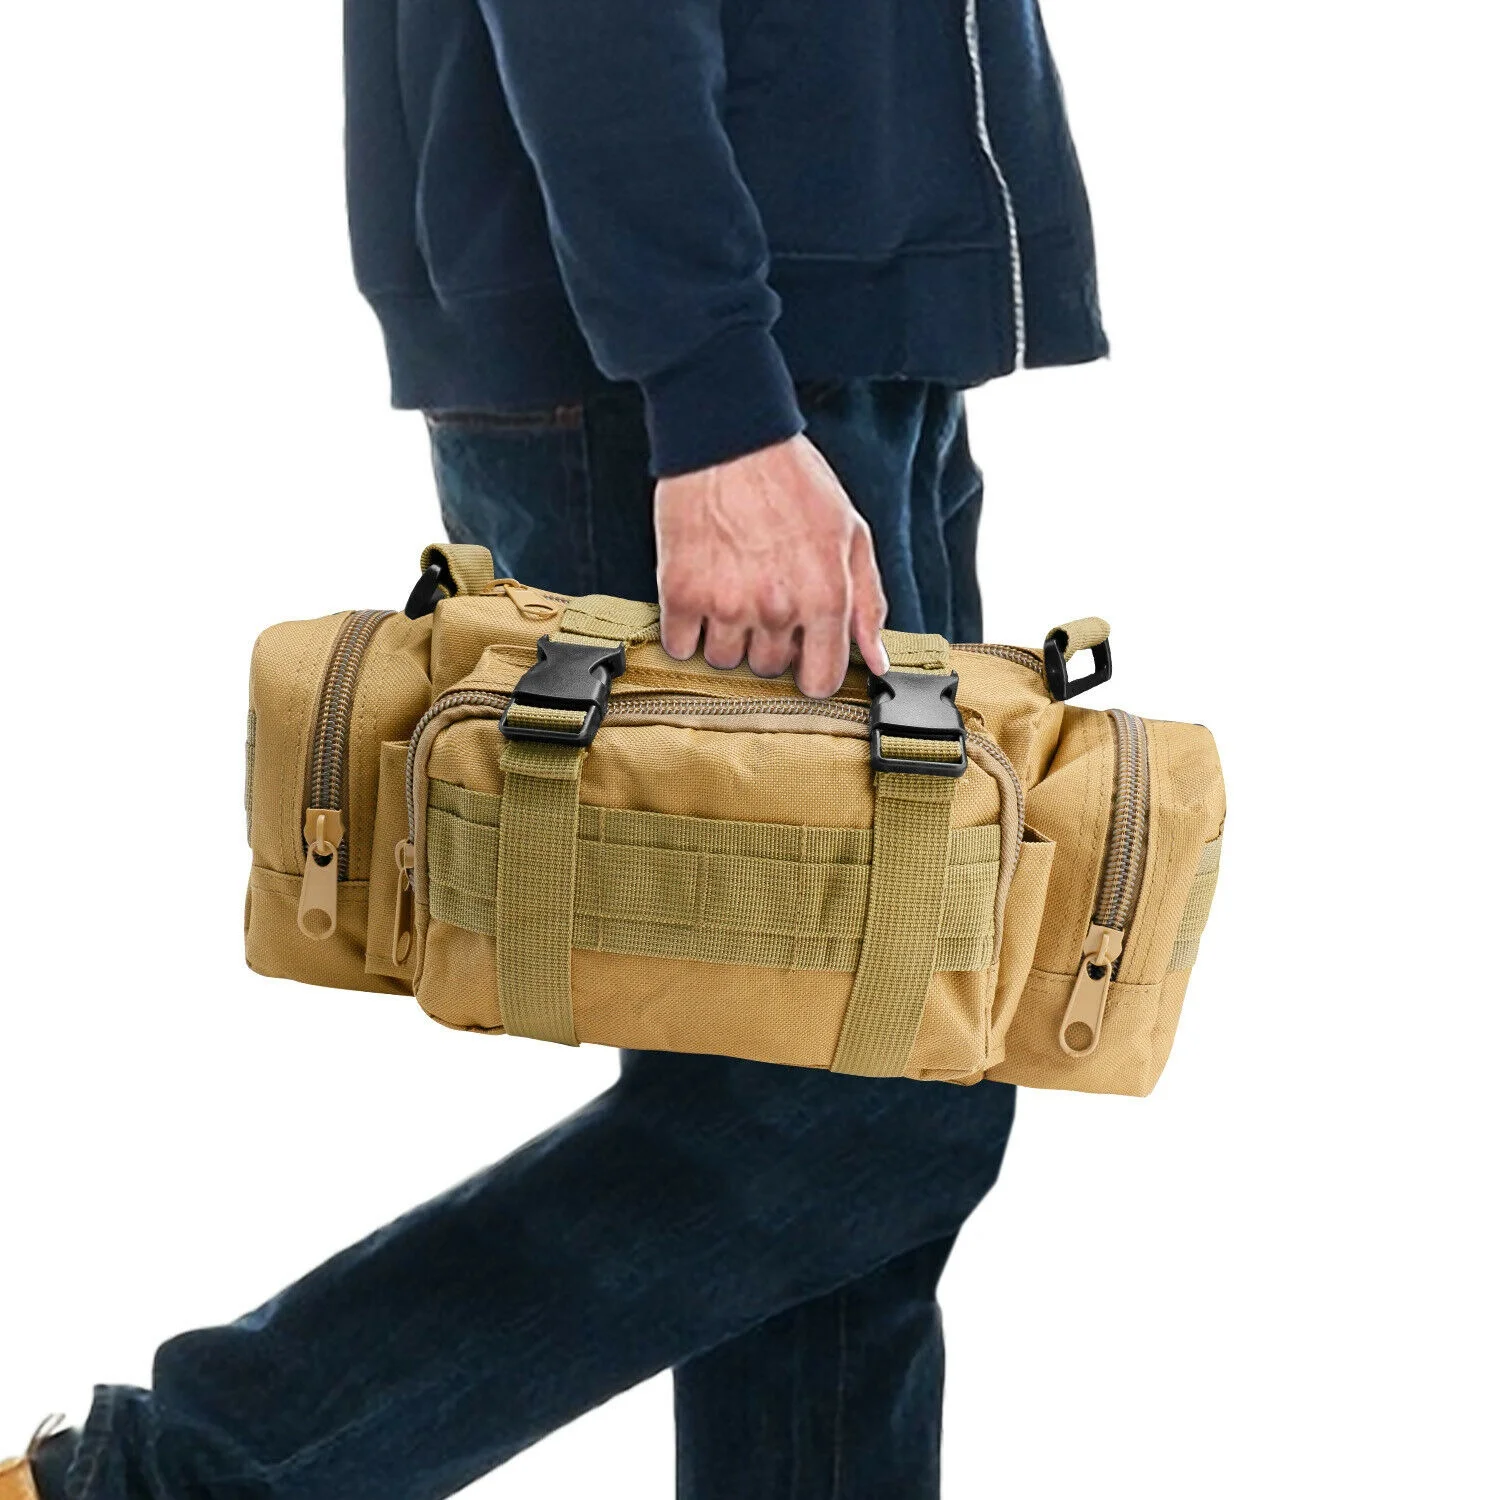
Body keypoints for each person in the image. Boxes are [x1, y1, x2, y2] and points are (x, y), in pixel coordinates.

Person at [3, 3, 1106, 1496]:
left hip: (834, 333)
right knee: (861, 1110)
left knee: (846, 1146)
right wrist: (714, 397)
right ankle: (162, 1482)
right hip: (700, 363)